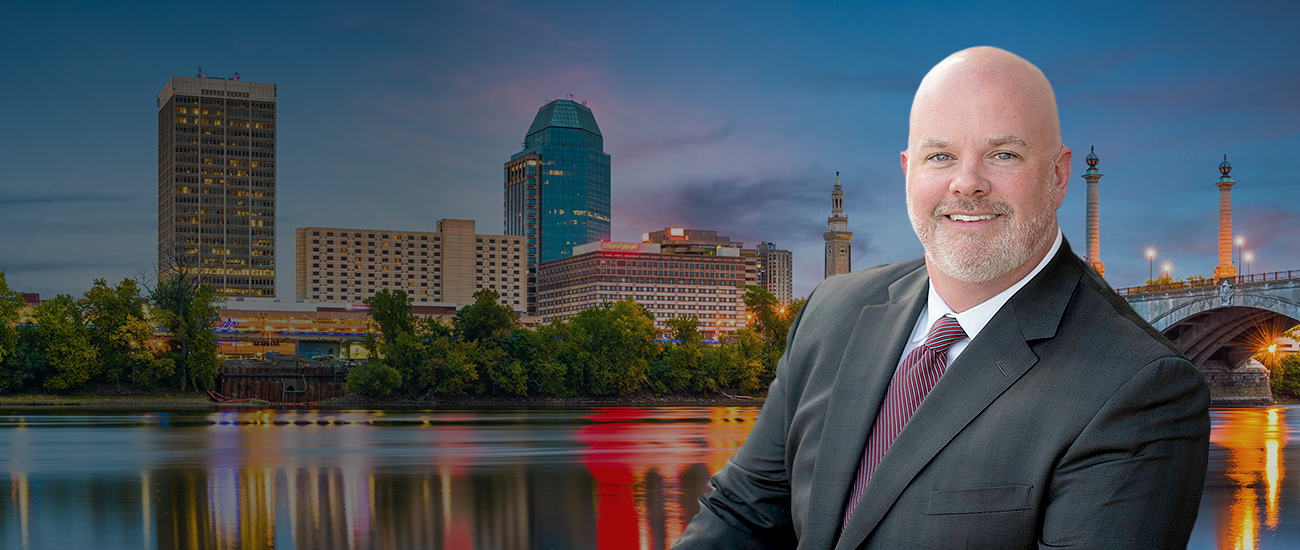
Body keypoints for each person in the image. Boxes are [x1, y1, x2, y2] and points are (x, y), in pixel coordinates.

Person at [674, 46, 1210, 549]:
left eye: (1003, 154)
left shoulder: (1138, 387)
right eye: (941, 155)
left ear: (1059, 175)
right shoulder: (832, 311)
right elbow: (742, 516)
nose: (967, 183)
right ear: (908, 172)